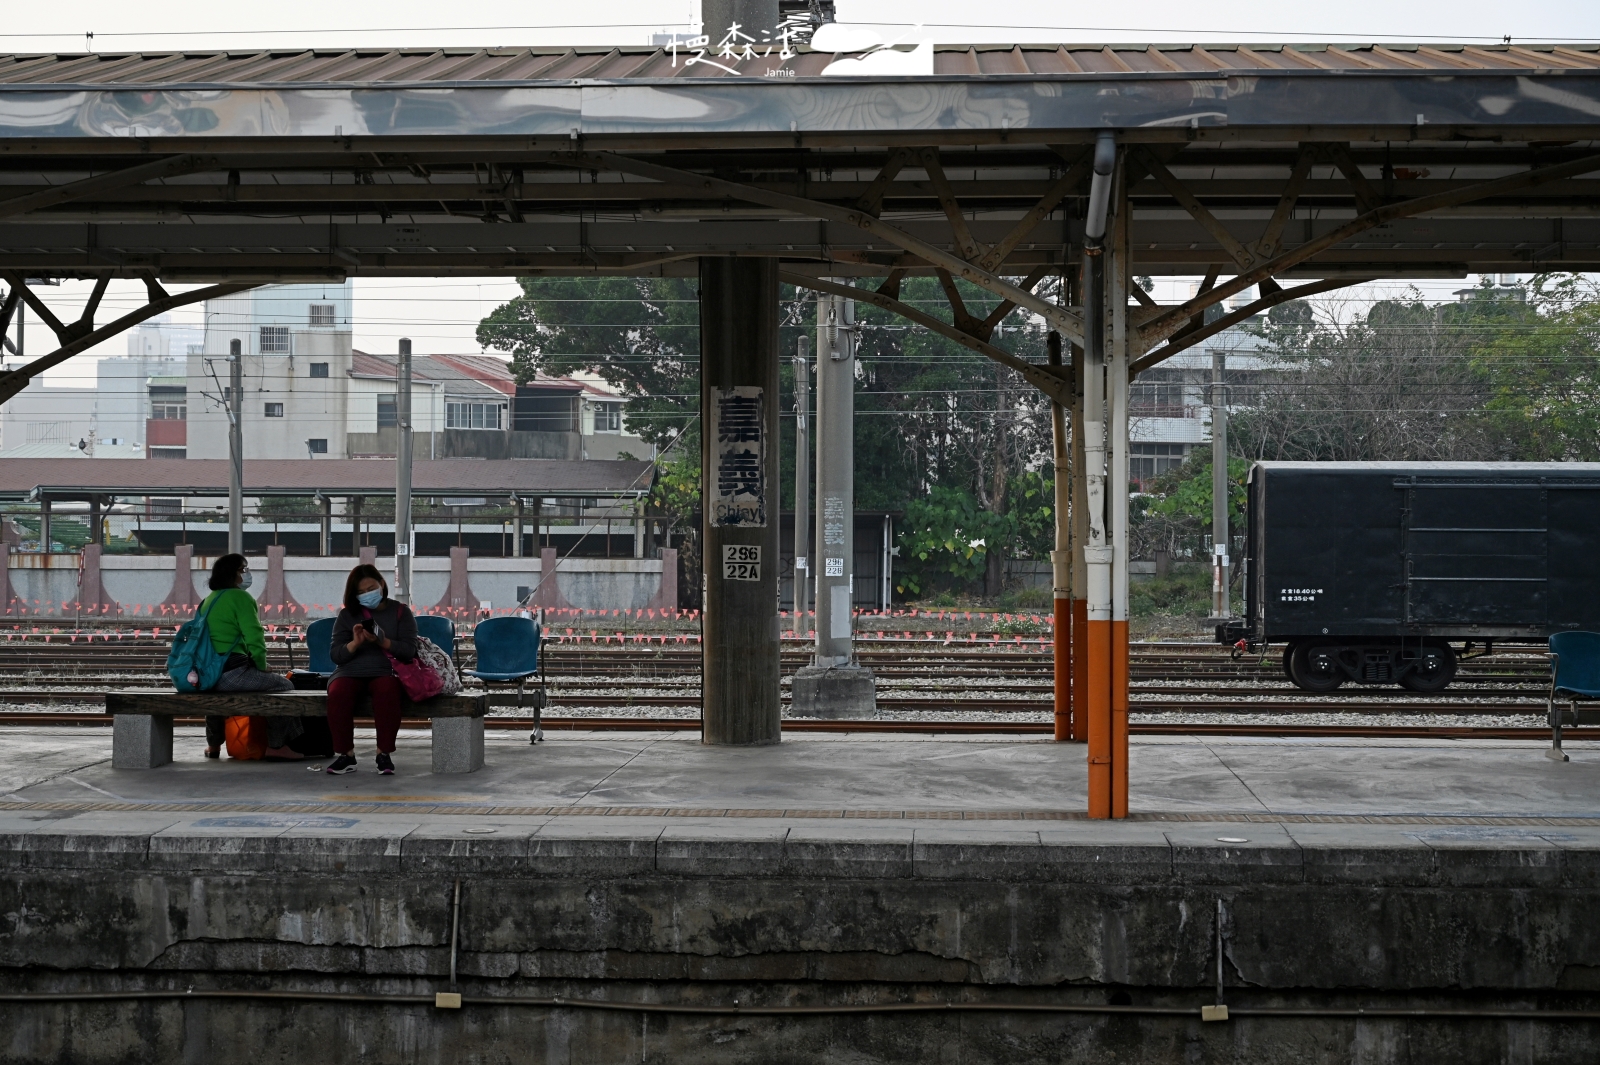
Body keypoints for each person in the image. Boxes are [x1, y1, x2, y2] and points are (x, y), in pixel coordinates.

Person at [199, 553, 299, 760]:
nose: (246, 574)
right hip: (232, 674)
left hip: (207, 674)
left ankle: (214, 745)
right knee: (285, 687)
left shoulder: (208, 600)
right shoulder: (241, 598)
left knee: (214, 694)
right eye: (243, 570)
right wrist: (261, 665)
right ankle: (276, 745)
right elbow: (254, 635)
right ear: (232, 574)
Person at [325, 564, 417, 775]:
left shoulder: (401, 612)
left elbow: (409, 650)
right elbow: (336, 654)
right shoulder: (347, 615)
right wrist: (354, 644)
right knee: (338, 692)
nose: (367, 594)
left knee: (387, 691)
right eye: (361, 592)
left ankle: (383, 753)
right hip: (350, 670)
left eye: (371, 588)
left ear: (382, 585)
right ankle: (346, 755)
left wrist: (382, 641)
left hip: (386, 669)